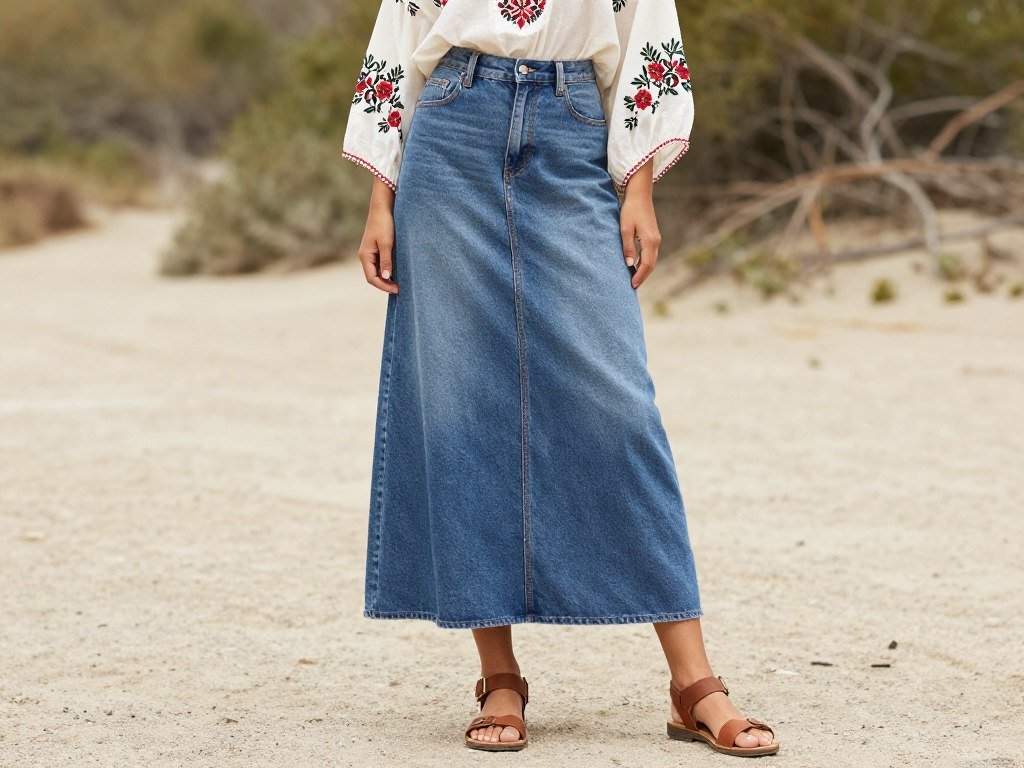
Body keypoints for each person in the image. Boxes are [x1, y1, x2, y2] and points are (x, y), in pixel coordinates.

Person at [342, 0, 779, 757]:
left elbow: (645, 25)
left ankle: (692, 683)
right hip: (450, 127)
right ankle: (499, 675)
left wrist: (637, 186)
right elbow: (402, 29)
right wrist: (381, 197)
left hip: (573, 120)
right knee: (459, 404)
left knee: (621, 410)